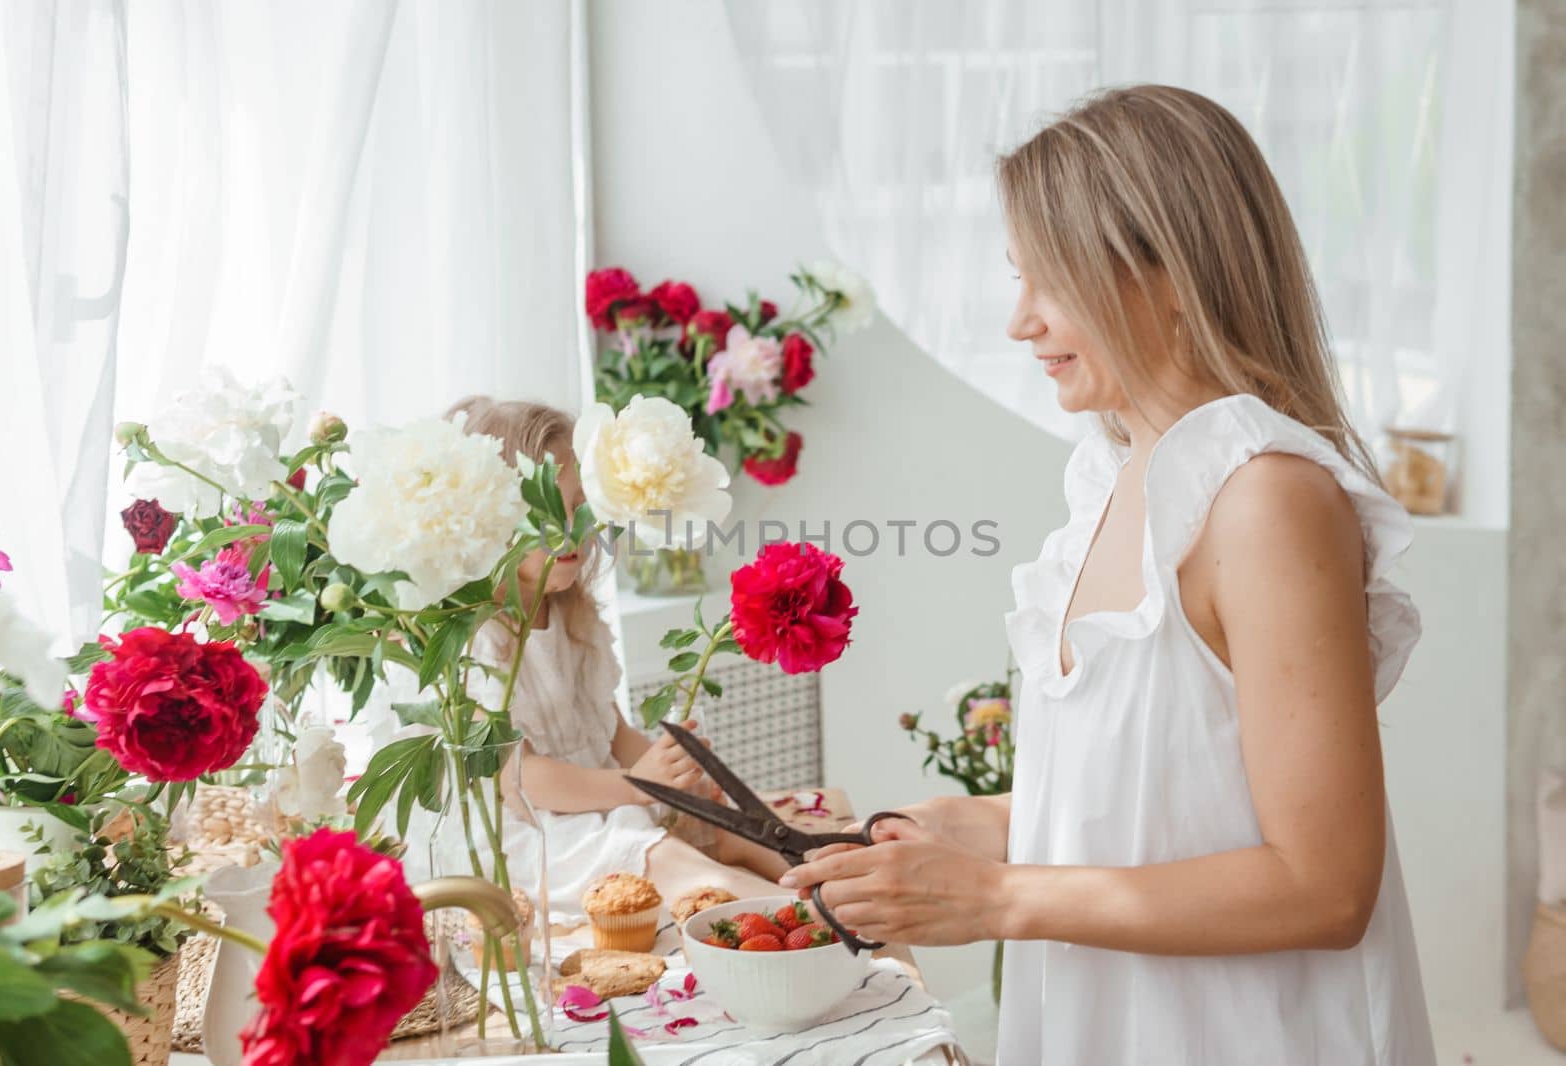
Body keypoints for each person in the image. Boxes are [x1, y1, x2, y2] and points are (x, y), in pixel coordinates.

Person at [781, 85, 1436, 1065]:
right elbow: (1142, 800)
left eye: (1048, 280)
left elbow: (1325, 886)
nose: (1019, 322)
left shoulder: (1265, 497)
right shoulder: (1115, 473)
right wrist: (944, 827)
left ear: (1170, 272)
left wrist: (997, 898)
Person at [437, 397, 789, 925]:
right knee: (660, 857)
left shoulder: (573, 616)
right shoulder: (480, 640)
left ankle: (810, 873)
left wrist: (669, 769)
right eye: (543, 512)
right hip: (534, 830)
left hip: (597, 795)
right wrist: (638, 783)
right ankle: (793, 913)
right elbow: (520, 780)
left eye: (580, 505)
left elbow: (607, 727)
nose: (571, 527)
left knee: (727, 822)